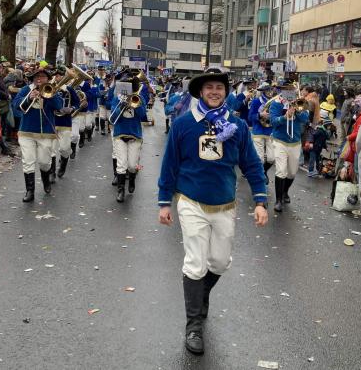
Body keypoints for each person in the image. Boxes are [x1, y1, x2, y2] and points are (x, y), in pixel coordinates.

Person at [157, 68, 268, 355]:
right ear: (200, 92)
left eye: (219, 87)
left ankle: (201, 293)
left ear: (226, 92)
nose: (214, 92)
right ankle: (194, 325)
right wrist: (164, 202)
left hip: (224, 204)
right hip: (190, 201)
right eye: (209, 87)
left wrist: (260, 201)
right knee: (195, 262)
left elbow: (252, 164)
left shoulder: (237, 126)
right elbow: (169, 164)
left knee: (219, 262)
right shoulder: (183, 124)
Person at [12, 65, 62, 202]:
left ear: (48, 79)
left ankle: (46, 181)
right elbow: (16, 105)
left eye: (43, 77)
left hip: (45, 133)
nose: (40, 79)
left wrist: (49, 95)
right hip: (26, 131)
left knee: (44, 162)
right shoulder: (25, 89)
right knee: (28, 161)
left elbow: (59, 106)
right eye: (37, 77)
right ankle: (30, 191)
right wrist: (29, 97)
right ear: (33, 79)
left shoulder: (52, 90)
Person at [266, 83, 309, 212]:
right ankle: (278, 200)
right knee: (281, 170)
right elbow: (273, 122)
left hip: (295, 142)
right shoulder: (276, 104)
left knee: (292, 172)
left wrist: (297, 111)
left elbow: (305, 119)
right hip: (280, 141)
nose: (290, 92)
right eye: (287, 90)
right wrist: (285, 117)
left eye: (292, 90)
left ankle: (285, 192)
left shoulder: (299, 102)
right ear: (283, 91)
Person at [109, 75, 149, 203]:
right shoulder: (117, 98)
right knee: (121, 164)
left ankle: (132, 179)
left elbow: (143, 115)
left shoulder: (139, 98)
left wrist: (136, 105)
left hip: (135, 135)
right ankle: (121, 190)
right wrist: (121, 106)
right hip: (120, 134)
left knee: (132, 165)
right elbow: (113, 117)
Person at [52, 67, 81, 178]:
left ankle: (63, 166)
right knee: (51, 150)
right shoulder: (49, 88)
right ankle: (51, 173)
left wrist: (72, 108)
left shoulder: (69, 89)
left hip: (65, 122)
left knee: (64, 149)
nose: (56, 78)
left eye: (59, 75)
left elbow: (77, 103)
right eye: (55, 76)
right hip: (52, 121)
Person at [248, 83, 277, 184]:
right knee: (260, 158)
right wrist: (260, 114)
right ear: (264, 91)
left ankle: (263, 172)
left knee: (272, 158)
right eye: (268, 90)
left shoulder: (275, 102)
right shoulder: (256, 101)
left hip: (270, 131)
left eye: (271, 90)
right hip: (258, 131)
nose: (270, 92)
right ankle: (260, 177)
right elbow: (250, 117)